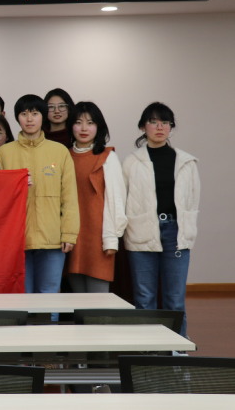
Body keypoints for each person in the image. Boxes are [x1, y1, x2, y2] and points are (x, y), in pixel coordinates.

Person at [0, 95, 79, 313]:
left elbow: (69, 197)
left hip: (52, 239)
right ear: (17, 118)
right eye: (24, 114)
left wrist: (69, 234)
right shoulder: (5, 152)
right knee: (22, 298)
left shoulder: (59, 151)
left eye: (35, 113)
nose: (29, 119)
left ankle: (48, 337)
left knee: (49, 297)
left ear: (43, 117)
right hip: (17, 240)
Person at [122, 102, 199, 337]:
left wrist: (188, 229)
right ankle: (146, 350)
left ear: (171, 127)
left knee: (175, 298)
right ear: (142, 127)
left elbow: (193, 201)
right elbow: (124, 200)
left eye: (165, 122)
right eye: (153, 122)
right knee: (145, 298)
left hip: (175, 232)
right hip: (142, 231)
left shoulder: (186, 162)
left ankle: (177, 349)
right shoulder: (131, 162)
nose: (159, 127)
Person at [66, 102, 127, 294]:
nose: (84, 128)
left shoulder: (107, 157)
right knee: (77, 298)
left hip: (99, 238)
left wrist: (112, 239)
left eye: (90, 123)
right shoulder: (64, 156)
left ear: (99, 127)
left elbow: (117, 200)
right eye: (78, 122)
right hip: (71, 237)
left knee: (98, 300)